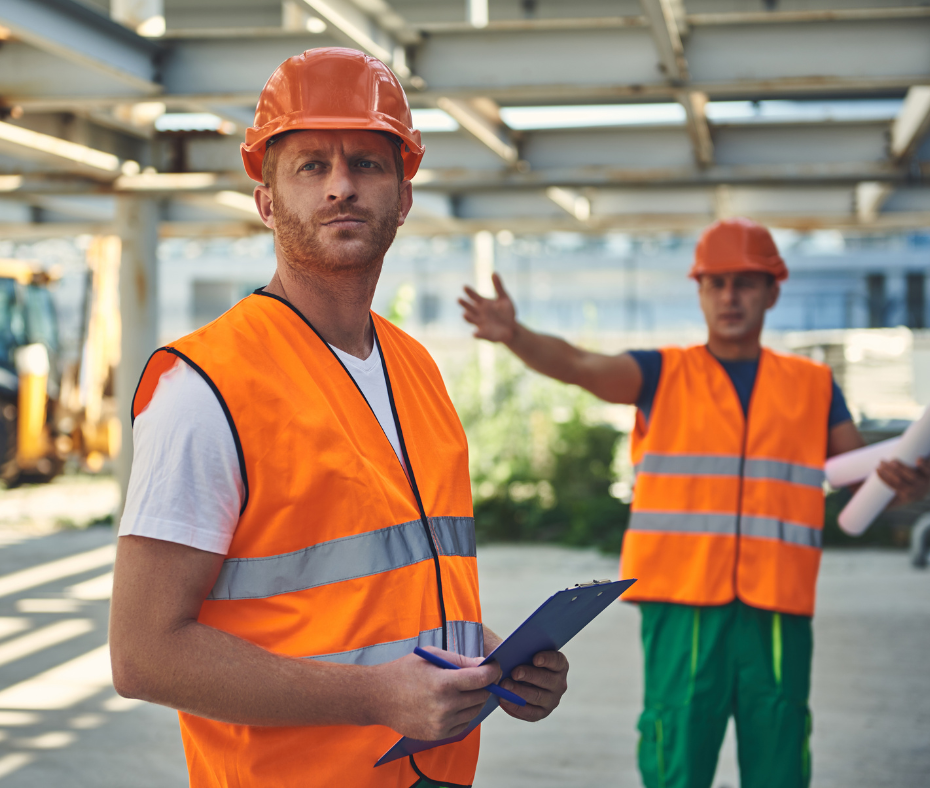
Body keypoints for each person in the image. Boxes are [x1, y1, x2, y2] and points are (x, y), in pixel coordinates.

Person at [109, 48, 569, 788]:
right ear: (266, 201)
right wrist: (376, 697)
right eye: (311, 166)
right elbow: (143, 655)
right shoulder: (204, 386)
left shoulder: (415, 367)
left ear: (403, 196)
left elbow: (388, 591)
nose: (342, 186)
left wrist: (491, 658)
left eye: (367, 163)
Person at [458, 217, 930, 788]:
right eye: (717, 283)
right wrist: (515, 335)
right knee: (676, 747)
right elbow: (580, 366)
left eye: (745, 283)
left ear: (772, 291)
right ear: (701, 292)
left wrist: (904, 483)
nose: (730, 296)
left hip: (776, 602)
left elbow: (864, 481)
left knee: (779, 748)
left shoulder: (814, 385)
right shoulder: (662, 374)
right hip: (681, 602)